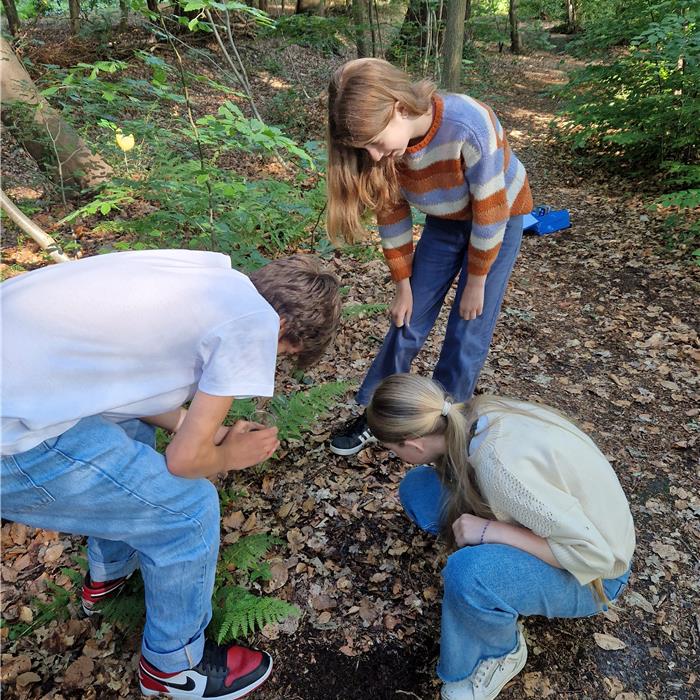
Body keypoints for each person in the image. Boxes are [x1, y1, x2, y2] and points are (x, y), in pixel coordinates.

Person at [1, 249, 341, 700]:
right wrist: (229, 455)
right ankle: (172, 670)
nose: (273, 360)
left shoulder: (202, 275)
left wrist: (205, 431)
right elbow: (183, 464)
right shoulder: (255, 322)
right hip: (13, 440)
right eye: (283, 354)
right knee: (189, 510)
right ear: (282, 329)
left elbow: (127, 391)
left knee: (132, 428)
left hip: (19, 398)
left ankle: (109, 577)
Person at [366, 374, 635, 700]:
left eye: (394, 450)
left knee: (468, 573)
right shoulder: (474, 415)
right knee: (419, 489)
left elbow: (596, 558)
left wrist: (492, 531)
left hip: (598, 579)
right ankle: (497, 574)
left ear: (413, 443)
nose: (396, 456)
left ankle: (500, 653)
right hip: (567, 529)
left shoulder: (502, 470)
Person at [326, 58, 534, 456]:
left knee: (468, 328)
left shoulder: (469, 123)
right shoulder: (388, 150)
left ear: (400, 107)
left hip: (499, 218)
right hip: (445, 220)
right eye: (363, 147)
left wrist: (476, 282)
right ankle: (379, 413)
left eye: (374, 140)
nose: (372, 155)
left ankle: (444, 422)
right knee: (408, 319)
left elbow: (490, 215)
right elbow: (392, 214)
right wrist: (403, 286)